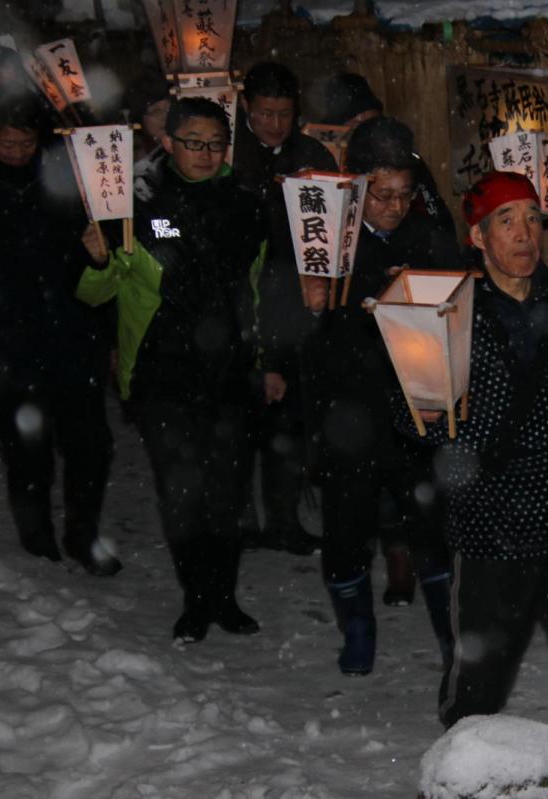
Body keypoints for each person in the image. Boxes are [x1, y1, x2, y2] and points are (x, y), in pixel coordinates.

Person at [411, 172, 548, 799]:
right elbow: (412, 411)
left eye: (533, 218)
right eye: (506, 220)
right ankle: (463, 783)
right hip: (493, 520)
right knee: (480, 675)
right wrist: (435, 420)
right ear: (477, 236)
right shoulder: (445, 311)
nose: (524, 233)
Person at [76, 97, 265, 642]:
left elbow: (257, 285)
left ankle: (225, 597)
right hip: (164, 372)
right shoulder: (135, 200)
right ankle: (196, 599)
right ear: (167, 142)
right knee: (182, 493)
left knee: (227, 493)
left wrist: (263, 359)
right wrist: (96, 260)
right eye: (193, 142)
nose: (205, 154)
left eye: (215, 144)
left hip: (229, 369)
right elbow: (97, 292)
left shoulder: (246, 201)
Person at [301, 118, 461, 674]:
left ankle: (451, 635)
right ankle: (358, 628)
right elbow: (283, 331)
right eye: (381, 195)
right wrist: (310, 306)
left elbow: (460, 316)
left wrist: (423, 300)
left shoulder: (432, 240)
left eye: (403, 195)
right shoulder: (324, 242)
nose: (393, 207)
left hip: (414, 410)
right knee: (346, 527)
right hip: (346, 411)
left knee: (431, 525)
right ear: (354, 186)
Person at [0, 99, 117, 574]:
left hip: (71, 332)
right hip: (5, 339)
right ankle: (38, 539)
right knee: (27, 449)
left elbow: (102, 250)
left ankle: (83, 534)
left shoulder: (66, 180)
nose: (16, 151)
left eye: (26, 142)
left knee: (90, 444)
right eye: (5, 142)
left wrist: (99, 254)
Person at [233, 61, 332, 556]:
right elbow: (169, 226)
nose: (274, 124)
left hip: (291, 304)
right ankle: (240, 519)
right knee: (238, 424)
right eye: (265, 113)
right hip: (234, 306)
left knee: (288, 423)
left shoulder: (310, 157)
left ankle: (283, 518)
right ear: (246, 107)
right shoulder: (224, 152)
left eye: (284, 114)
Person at [320, 72, 456, 238]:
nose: (397, 206)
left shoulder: (409, 162)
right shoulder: (323, 169)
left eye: (405, 195)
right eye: (385, 195)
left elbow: (438, 218)